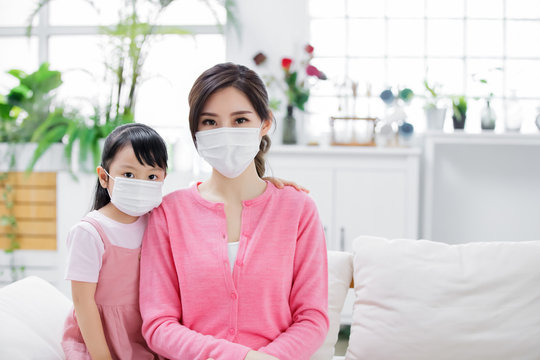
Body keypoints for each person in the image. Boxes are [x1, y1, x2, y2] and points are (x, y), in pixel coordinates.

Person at [61, 122, 304, 360]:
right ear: (104, 177)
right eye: (128, 174)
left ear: (164, 177)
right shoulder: (90, 232)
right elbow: (83, 303)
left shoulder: (159, 216)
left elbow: (203, 195)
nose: (141, 183)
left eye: (152, 176)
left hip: (148, 340)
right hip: (101, 341)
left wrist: (263, 185)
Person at [139, 63, 329, 360]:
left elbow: (312, 318)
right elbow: (158, 325)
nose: (225, 132)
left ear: (265, 123)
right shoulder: (168, 213)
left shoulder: (298, 209)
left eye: (240, 119)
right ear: (196, 131)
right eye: (210, 122)